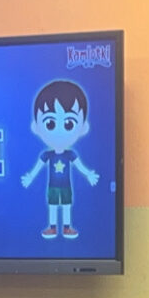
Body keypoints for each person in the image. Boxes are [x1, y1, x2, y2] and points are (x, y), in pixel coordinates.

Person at [17, 79, 101, 240]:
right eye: (50, 124)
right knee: (53, 206)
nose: (59, 132)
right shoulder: (47, 155)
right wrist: (30, 177)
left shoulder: (70, 155)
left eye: (69, 124)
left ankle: (67, 228)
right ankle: (53, 227)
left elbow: (79, 166)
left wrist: (89, 174)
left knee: (67, 205)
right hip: (53, 186)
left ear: (83, 128)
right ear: (36, 127)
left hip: (66, 186)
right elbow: (37, 167)